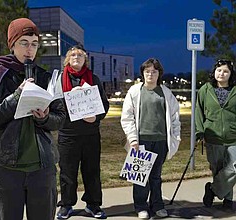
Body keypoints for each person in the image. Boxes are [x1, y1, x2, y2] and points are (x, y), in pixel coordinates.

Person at [0, 18, 66, 220]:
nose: (30, 49)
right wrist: (14, 98)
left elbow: (60, 118)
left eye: (34, 44)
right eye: (24, 43)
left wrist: (45, 118)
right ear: (12, 44)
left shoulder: (45, 78)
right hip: (6, 169)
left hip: (42, 167)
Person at [120, 58, 181, 219]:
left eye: (154, 71)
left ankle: (158, 205)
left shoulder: (165, 92)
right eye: (147, 71)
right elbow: (127, 116)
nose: (150, 74)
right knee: (140, 177)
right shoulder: (135, 91)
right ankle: (141, 206)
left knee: (156, 176)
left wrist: (175, 136)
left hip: (160, 140)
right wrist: (132, 138)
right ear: (143, 73)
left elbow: (175, 116)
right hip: (141, 141)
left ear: (159, 73)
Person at [56, 45, 110, 219]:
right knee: (67, 172)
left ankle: (93, 204)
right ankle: (66, 204)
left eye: (80, 54)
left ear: (85, 59)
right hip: (67, 133)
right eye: (73, 54)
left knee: (92, 171)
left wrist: (95, 117)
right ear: (68, 58)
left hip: (90, 134)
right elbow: (53, 104)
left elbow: (104, 104)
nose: (77, 56)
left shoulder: (93, 79)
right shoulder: (59, 79)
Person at [195, 59, 236, 210]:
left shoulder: (235, 90)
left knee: (233, 168)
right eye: (219, 70)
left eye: (226, 71)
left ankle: (212, 190)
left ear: (230, 74)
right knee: (218, 169)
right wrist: (199, 132)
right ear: (214, 72)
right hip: (213, 137)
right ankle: (228, 199)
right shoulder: (205, 89)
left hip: (233, 137)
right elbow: (198, 112)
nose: (222, 73)